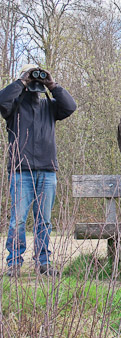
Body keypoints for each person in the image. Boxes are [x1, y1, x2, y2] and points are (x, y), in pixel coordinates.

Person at [0, 64, 77, 277]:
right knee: (18, 219)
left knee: (44, 219)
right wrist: (22, 81)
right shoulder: (13, 107)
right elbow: (1, 100)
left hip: (47, 169)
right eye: (31, 79)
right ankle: (14, 263)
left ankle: (43, 262)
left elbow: (70, 106)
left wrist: (52, 84)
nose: (35, 82)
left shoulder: (49, 106)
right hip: (20, 170)